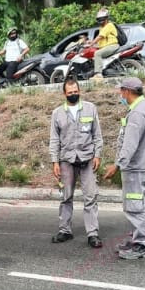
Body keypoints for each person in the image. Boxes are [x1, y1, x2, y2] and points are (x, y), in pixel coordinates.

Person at [104, 77, 145, 260]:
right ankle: (136, 239)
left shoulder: (137, 113)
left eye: (121, 91)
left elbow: (130, 144)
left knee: (135, 205)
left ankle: (141, 245)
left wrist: (117, 165)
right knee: (136, 203)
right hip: (141, 164)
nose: (120, 94)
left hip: (135, 166)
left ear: (127, 91)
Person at [49, 77, 104, 248]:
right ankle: (65, 230)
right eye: (70, 92)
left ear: (79, 91)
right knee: (66, 197)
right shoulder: (57, 113)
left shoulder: (90, 108)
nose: (73, 94)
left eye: (75, 92)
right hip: (66, 160)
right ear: (64, 94)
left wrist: (98, 155)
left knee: (90, 197)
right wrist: (54, 161)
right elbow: (54, 139)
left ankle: (92, 234)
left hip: (87, 159)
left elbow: (97, 135)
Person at [89, 9, 119, 77]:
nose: (100, 21)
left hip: (112, 46)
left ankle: (98, 74)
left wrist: (92, 43)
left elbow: (100, 36)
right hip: (106, 47)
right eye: (99, 19)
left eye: (102, 19)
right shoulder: (102, 28)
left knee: (97, 54)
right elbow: (101, 40)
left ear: (106, 18)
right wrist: (90, 42)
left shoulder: (109, 25)